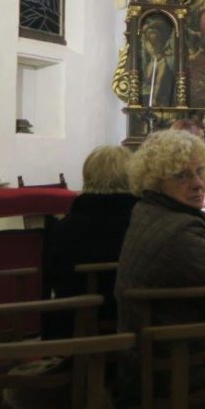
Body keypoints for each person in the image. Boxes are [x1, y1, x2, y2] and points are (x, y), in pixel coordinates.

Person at [114, 129, 205, 403]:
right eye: (182, 176)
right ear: (155, 181)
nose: (198, 184)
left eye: (200, 172)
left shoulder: (149, 210)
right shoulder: (181, 230)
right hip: (186, 361)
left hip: (154, 349)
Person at [43, 145, 137, 339]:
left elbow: (51, 276)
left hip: (73, 328)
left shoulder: (63, 228)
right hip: (133, 326)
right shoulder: (142, 221)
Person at [169, 118, 205, 208]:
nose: (204, 144)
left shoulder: (203, 166)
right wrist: (196, 201)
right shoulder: (167, 166)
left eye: (204, 139)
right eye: (199, 139)